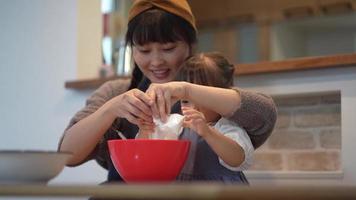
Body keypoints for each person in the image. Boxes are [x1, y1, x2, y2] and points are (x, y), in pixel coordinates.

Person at [58, 0, 277, 182]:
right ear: (132, 51)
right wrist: (111, 109)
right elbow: (67, 155)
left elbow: (263, 114)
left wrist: (185, 89)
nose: (156, 61)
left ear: (190, 45)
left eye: (168, 49)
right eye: (143, 50)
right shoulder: (116, 92)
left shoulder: (206, 89)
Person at [137, 52, 254, 183]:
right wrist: (146, 131)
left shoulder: (226, 126)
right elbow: (149, 155)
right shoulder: (176, 126)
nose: (194, 107)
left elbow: (238, 159)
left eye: (203, 99)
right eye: (186, 101)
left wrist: (208, 132)